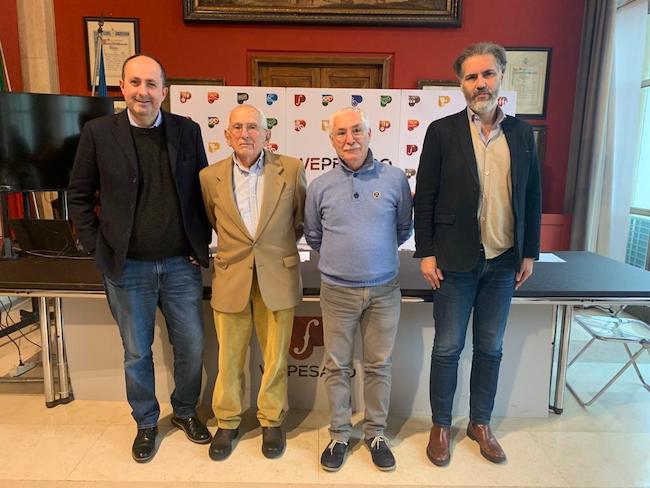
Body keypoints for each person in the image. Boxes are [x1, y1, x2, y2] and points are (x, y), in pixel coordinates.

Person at [68, 54, 212, 463]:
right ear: (122, 88)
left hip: (180, 264)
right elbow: (79, 195)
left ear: (164, 91)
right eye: (135, 83)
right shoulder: (98, 133)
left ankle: (185, 410)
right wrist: (96, 245)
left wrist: (199, 245)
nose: (143, 92)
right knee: (136, 351)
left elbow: (203, 192)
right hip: (127, 266)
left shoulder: (187, 131)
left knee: (192, 346)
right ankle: (146, 420)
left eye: (151, 84)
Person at [414, 42, 542, 466]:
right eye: (471, 77)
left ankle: (480, 424)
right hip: (454, 261)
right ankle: (440, 425)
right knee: (447, 348)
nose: (480, 83)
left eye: (487, 74)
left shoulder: (521, 134)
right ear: (461, 84)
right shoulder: (441, 131)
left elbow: (531, 196)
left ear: (501, 75)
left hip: (503, 261)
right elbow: (425, 197)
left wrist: (529, 252)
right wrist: (426, 252)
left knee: (490, 347)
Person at [304, 107, 413, 472]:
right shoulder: (319, 186)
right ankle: (339, 434)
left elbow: (403, 229)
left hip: (384, 291)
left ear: (369, 134)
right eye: (341, 133)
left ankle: (376, 433)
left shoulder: (395, 179)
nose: (349, 139)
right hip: (337, 292)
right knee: (336, 366)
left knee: (379, 365)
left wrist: (372, 257)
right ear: (331, 139)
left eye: (356, 131)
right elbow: (314, 235)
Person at [199, 104, 307, 461]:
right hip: (231, 276)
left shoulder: (292, 169)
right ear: (226, 135)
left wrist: (272, 251)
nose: (245, 134)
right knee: (229, 357)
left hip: (278, 275)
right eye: (237, 127)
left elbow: (299, 221)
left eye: (252, 127)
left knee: (275, 356)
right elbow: (212, 220)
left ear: (266, 134)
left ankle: (272, 420)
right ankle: (227, 421)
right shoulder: (209, 177)